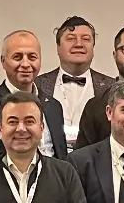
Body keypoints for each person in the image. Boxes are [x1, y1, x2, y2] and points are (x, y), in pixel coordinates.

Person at [0, 30, 68, 165]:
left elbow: (62, 161)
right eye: (17, 57)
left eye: (32, 57)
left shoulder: (54, 106)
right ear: (3, 61)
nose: (26, 64)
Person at [37, 15, 111, 151]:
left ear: (93, 47)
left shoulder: (111, 87)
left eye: (86, 39)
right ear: (58, 47)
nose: (78, 44)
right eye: (71, 39)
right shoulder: (37, 85)